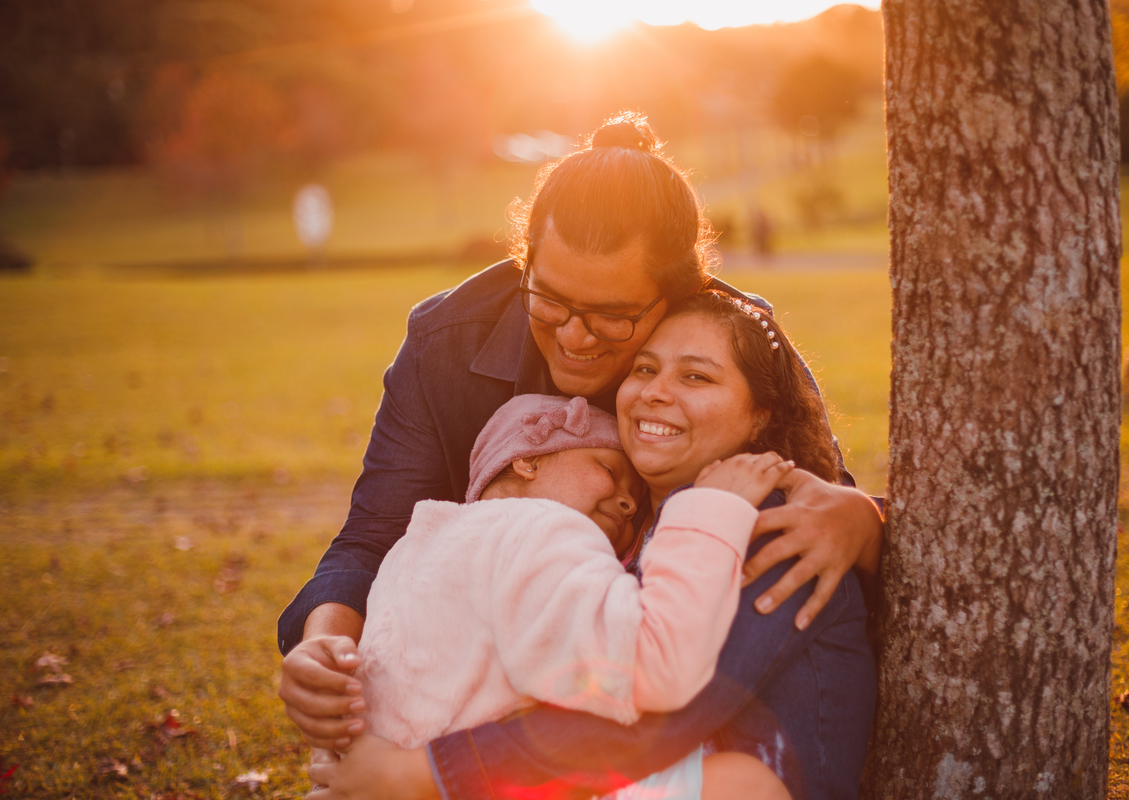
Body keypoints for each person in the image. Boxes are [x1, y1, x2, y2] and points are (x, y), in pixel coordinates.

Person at [280, 111, 884, 795]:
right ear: (525, 261)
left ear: (678, 295)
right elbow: (372, 534)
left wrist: (866, 520)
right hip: (533, 672)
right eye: (549, 298)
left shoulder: (734, 346)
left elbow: (817, 508)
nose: (573, 335)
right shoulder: (446, 342)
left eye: (613, 315)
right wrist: (323, 646)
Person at [308, 290, 876, 800]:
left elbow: (655, 715)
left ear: (760, 415)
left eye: (696, 377)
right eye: (645, 369)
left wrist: (428, 774)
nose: (656, 392)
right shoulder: (653, 526)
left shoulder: (766, 522)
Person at [332, 393, 797, 800]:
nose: (628, 503)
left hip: (388, 778)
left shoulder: (416, 550)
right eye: (609, 469)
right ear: (527, 460)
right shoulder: (537, 530)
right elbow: (651, 665)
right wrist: (709, 512)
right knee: (746, 786)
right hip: (457, 783)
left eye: (635, 502)